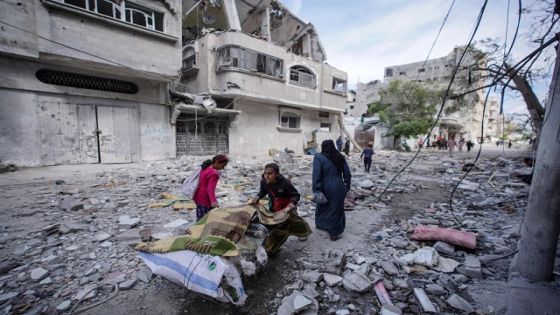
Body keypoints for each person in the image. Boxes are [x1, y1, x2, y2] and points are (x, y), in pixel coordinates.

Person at [250, 163, 311, 254]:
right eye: (265, 173)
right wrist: (257, 197)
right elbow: (263, 191)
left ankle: (303, 234)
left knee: (294, 220)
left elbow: (295, 195)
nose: (267, 176)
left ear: (277, 174)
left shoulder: (285, 183)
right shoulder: (264, 181)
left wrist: (291, 205)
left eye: (270, 173)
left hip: (287, 205)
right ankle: (275, 245)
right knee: (276, 224)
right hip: (275, 205)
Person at [312, 140, 351, 241]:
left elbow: (316, 174)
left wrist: (316, 189)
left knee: (323, 206)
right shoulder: (340, 157)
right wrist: (346, 187)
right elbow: (347, 173)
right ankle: (335, 231)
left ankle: (325, 227)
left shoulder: (319, 157)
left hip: (325, 185)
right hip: (339, 185)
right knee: (336, 208)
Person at [192, 154, 229, 220]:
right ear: (217, 162)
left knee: (200, 218)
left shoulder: (205, 167)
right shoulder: (214, 173)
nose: (223, 168)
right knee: (205, 220)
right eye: (223, 166)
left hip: (197, 196)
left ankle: (197, 229)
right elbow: (210, 190)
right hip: (204, 199)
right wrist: (214, 202)